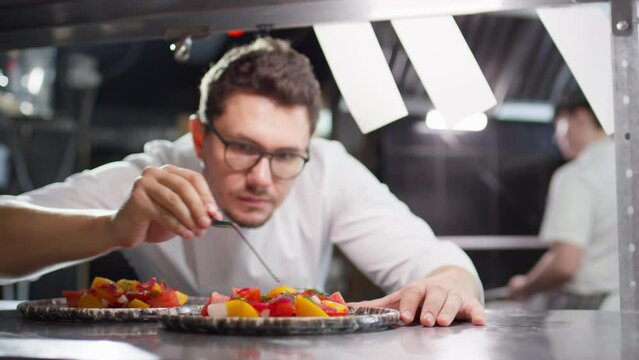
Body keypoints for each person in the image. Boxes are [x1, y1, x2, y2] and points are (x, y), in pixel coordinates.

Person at [0, 37, 485, 326]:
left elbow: (440, 263)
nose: (261, 177)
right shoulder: (156, 177)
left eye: (285, 155)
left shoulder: (328, 168)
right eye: (243, 148)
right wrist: (111, 227)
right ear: (199, 136)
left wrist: (449, 285)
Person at [506, 100, 618, 310]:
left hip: (590, 309)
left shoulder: (576, 175)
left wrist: (525, 287)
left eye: (560, 126)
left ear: (581, 117)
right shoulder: (628, 165)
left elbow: (565, 265)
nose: (557, 137)